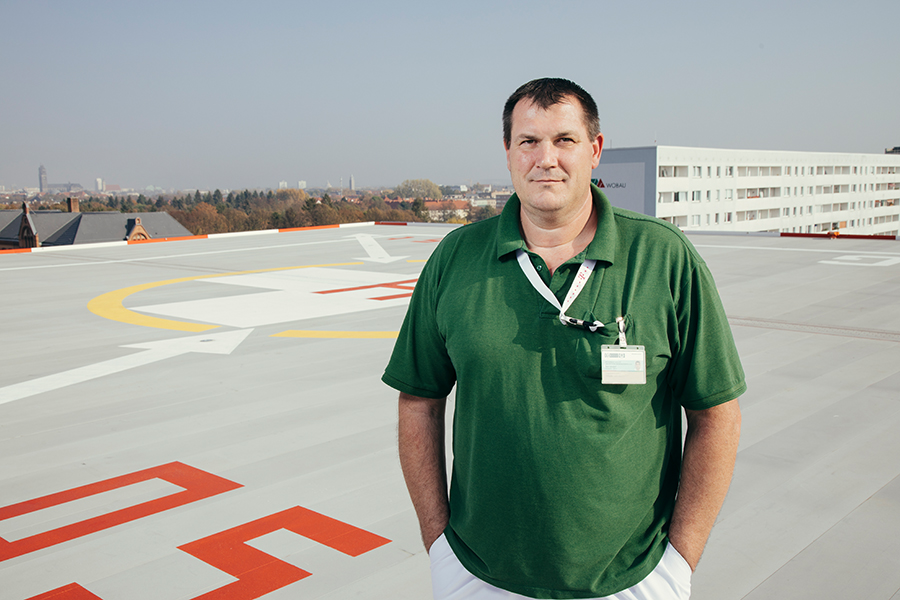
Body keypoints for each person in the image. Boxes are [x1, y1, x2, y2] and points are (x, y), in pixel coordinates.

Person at [382, 78, 745, 600]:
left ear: (595, 151)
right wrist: (439, 545)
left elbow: (717, 414)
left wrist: (679, 562)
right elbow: (418, 400)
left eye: (565, 140)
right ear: (507, 152)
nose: (545, 158)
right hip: (478, 575)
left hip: (632, 579)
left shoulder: (665, 259)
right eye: (528, 141)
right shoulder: (455, 259)